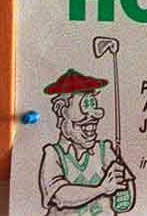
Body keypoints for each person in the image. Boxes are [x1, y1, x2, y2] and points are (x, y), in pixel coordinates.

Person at [36, 69, 135, 213]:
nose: (91, 124)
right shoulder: (54, 154)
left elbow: (125, 198)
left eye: (92, 103)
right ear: (62, 112)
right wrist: (102, 189)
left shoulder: (105, 150)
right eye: (82, 124)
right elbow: (60, 195)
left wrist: (123, 190)